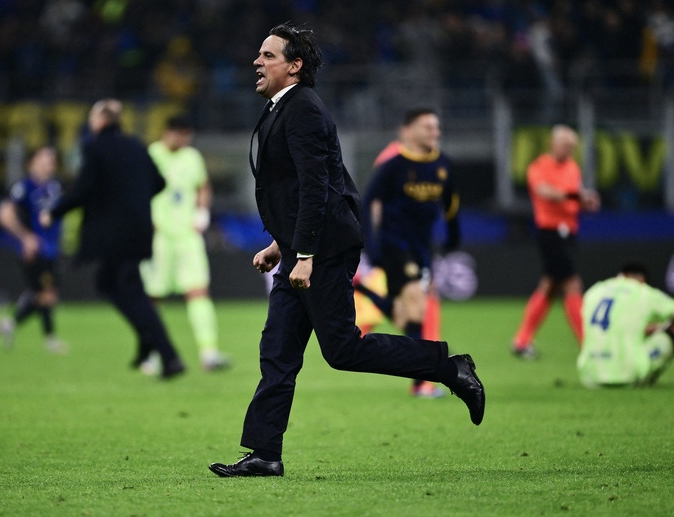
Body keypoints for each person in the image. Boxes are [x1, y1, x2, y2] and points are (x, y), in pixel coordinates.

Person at [208, 23, 485, 478]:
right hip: (301, 249)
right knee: (277, 352)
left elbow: (318, 188)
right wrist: (281, 244)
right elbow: (299, 189)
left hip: (322, 251)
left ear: (294, 66)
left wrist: (306, 255)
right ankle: (265, 453)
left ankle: (450, 368)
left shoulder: (303, 110)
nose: (257, 62)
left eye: (268, 55)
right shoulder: (286, 107)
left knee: (342, 350)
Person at [39, 99, 185, 379]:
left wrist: (53, 213)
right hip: (139, 230)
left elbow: (82, 190)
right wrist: (133, 199)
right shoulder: (137, 146)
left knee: (124, 291)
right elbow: (159, 183)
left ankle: (168, 355)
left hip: (115, 236)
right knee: (113, 284)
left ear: (101, 121)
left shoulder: (95, 147)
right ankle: (148, 343)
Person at [358, 108, 461, 399]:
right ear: (409, 130)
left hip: (422, 247)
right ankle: (424, 379)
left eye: (436, 127)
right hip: (396, 245)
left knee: (407, 318)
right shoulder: (393, 164)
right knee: (417, 305)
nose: (434, 132)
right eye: (428, 127)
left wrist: (454, 234)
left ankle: (363, 290)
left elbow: (451, 202)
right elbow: (368, 202)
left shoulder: (442, 163)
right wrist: (371, 245)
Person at [139, 116, 230, 372]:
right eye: (181, 135)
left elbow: (203, 187)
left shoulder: (192, 157)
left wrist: (202, 213)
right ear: (168, 133)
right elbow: (136, 190)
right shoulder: (151, 156)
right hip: (158, 236)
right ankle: (152, 354)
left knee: (198, 291)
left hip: (187, 236)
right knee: (153, 296)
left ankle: (209, 353)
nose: (185, 140)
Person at [511, 125, 601, 359]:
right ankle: (588, 345)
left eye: (572, 147)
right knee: (572, 284)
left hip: (569, 232)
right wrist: (576, 196)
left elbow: (576, 195)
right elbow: (544, 192)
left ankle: (521, 341)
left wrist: (587, 202)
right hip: (550, 233)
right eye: (565, 145)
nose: (569, 150)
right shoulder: (539, 167)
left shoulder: (572, 167)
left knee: (549, 287)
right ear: (553, 144)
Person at [0, 146, 67, 354]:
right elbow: (4, 215)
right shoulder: (24, 187)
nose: (49, 164)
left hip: (52, 249)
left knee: (44, 295)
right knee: (47, 294)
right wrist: (25, 237)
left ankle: (11, 324)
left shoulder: (55, 187)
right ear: (32, 163)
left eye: (52, 160)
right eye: (44, 159)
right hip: (36, 250)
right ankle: (49, 339)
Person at [578, 261, 674, 387]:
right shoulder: (643, 292)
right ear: (642, 279)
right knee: (667, 336)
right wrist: (664, 328)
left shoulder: (594, 291)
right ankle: (644, 379)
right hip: (629, 374)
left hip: (590, 376)